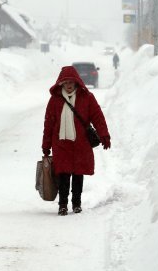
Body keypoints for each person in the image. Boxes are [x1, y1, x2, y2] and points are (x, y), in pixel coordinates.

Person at [41, 65, 110, 216]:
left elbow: (98, 117)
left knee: (78, 174)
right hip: (61, 144)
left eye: (71, 82)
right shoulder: (55, 101)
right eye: (66, 82)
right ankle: (63, 205)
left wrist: (104, 135)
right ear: (61, 84)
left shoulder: (87, 98)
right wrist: (46, 145)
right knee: (63, 175)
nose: (69, 85)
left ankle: (77, 204)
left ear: (77, 82)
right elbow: (49, 124)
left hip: (81, 143)